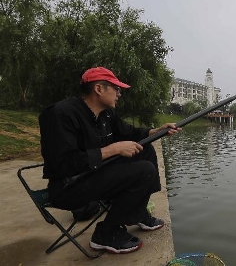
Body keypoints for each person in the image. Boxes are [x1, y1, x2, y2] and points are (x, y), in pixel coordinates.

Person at [39, 67, 181, 254]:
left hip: (97, 175)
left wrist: (156, 131)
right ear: (98, 89)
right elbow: (62, 164)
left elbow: (129, 132)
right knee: (144, 170)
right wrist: (112, 149)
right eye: (116, 89)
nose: (119, 94)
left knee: (145, 149)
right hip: (69, 187)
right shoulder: (61, 114)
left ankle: (137, 212)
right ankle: (106, 234)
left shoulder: (106, 114)